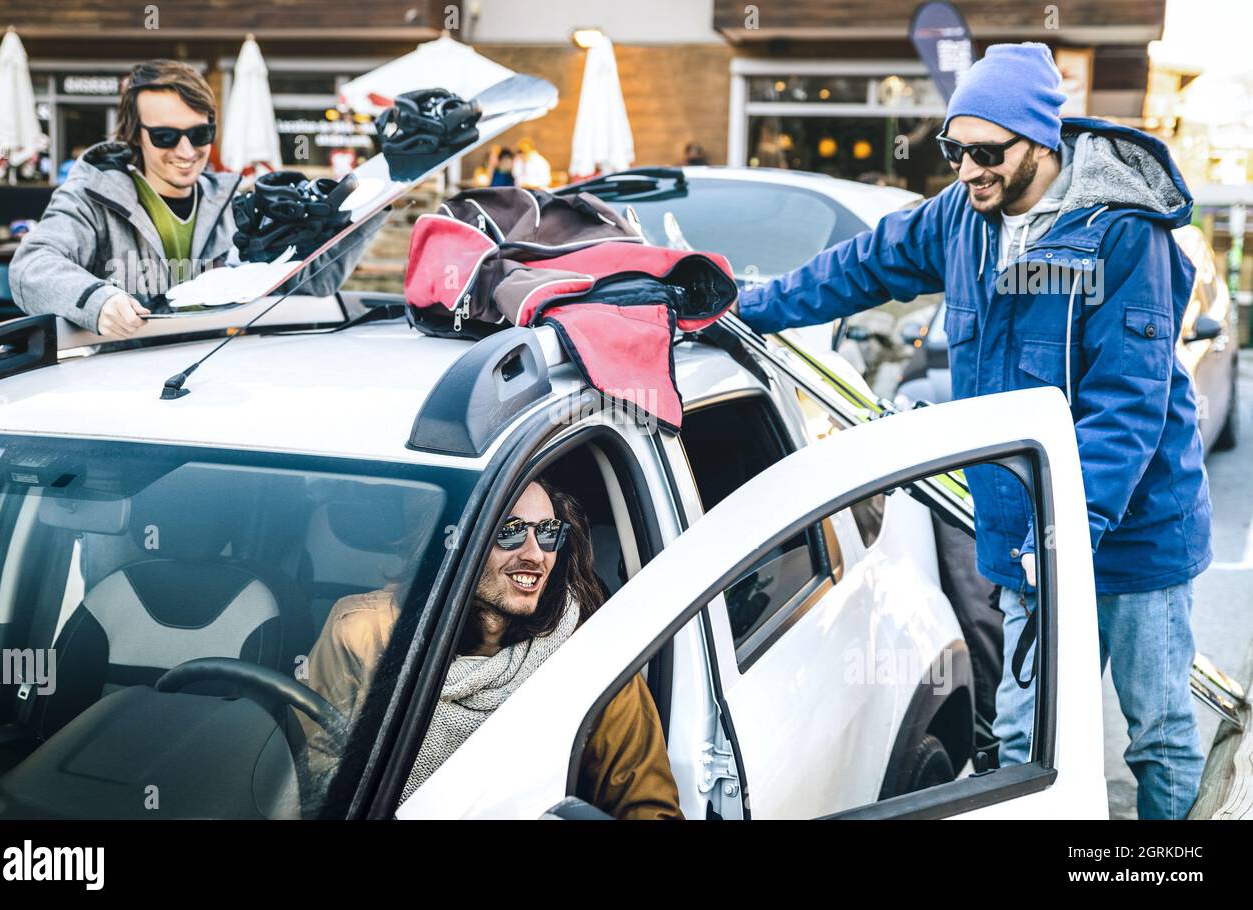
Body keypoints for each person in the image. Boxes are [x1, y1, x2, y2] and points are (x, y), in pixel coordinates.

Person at [733, 43, 1210, 820]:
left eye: (987, 153)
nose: (966, 170)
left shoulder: (1123, 236)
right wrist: (745, 306)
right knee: (1026, 739)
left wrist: (1069, 532)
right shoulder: (963, 218)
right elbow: (861, 266)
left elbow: (1127, 404)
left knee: (1157, 731)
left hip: (1135, 536)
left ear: (1041, 145)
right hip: (1027, 535)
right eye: (954, 149)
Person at [299, 478, 682, 820]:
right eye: (511, 531)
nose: (535, 555)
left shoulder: (587, 662)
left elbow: (648, 809)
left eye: (548, 534)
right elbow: (310, 781)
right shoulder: (365, 631)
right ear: (456, 541)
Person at [9, 59, 382, 340]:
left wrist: (365, 208)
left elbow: (307, 285)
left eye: (201, 133)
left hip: (205, 391)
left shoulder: (233, 204)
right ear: (135, 135)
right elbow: (31, 267)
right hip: (117, 394)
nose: (187, 151)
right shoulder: (92, 198)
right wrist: (98, 301)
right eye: (166, 137)